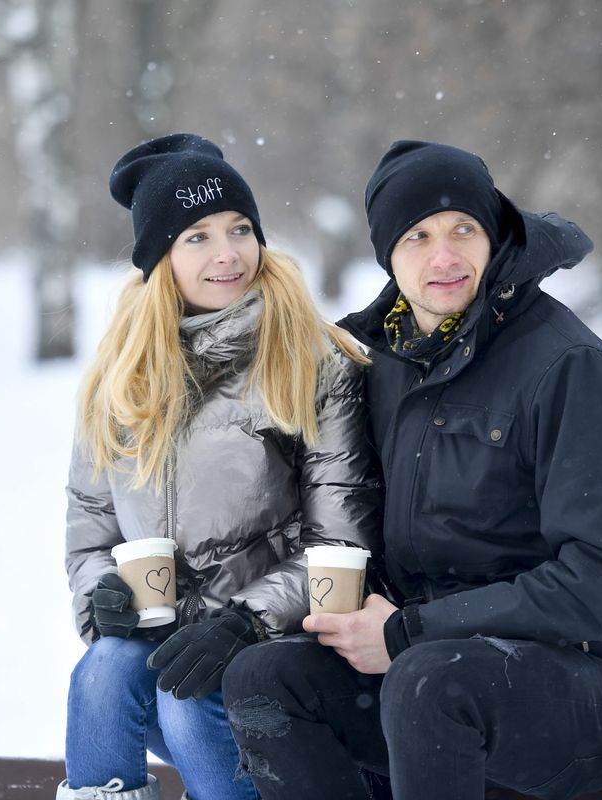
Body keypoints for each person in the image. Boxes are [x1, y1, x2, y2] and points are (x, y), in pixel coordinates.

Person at [221, 140, 602, 800]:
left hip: (594, 683)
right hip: (430, 674)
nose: (444, 256)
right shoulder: (378, 364)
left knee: (427, 682)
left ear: (493, 236)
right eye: (417, 237)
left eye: (463, 229)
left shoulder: (569, 369)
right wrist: (239, 612)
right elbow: (334, 525)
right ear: (389, 255)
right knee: (266, 679)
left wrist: (409, 632)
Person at [59, 133, 381, 800]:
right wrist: (103, 596)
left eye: (240, 229)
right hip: (170, 648)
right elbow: (91, 528)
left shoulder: (309, 360)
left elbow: (341, 545)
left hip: (275, 655)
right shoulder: (122, 375)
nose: (229, 253)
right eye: (197, 237)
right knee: (103, 670)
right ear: (160, 259)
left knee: (186, 700)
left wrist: (245, 620)